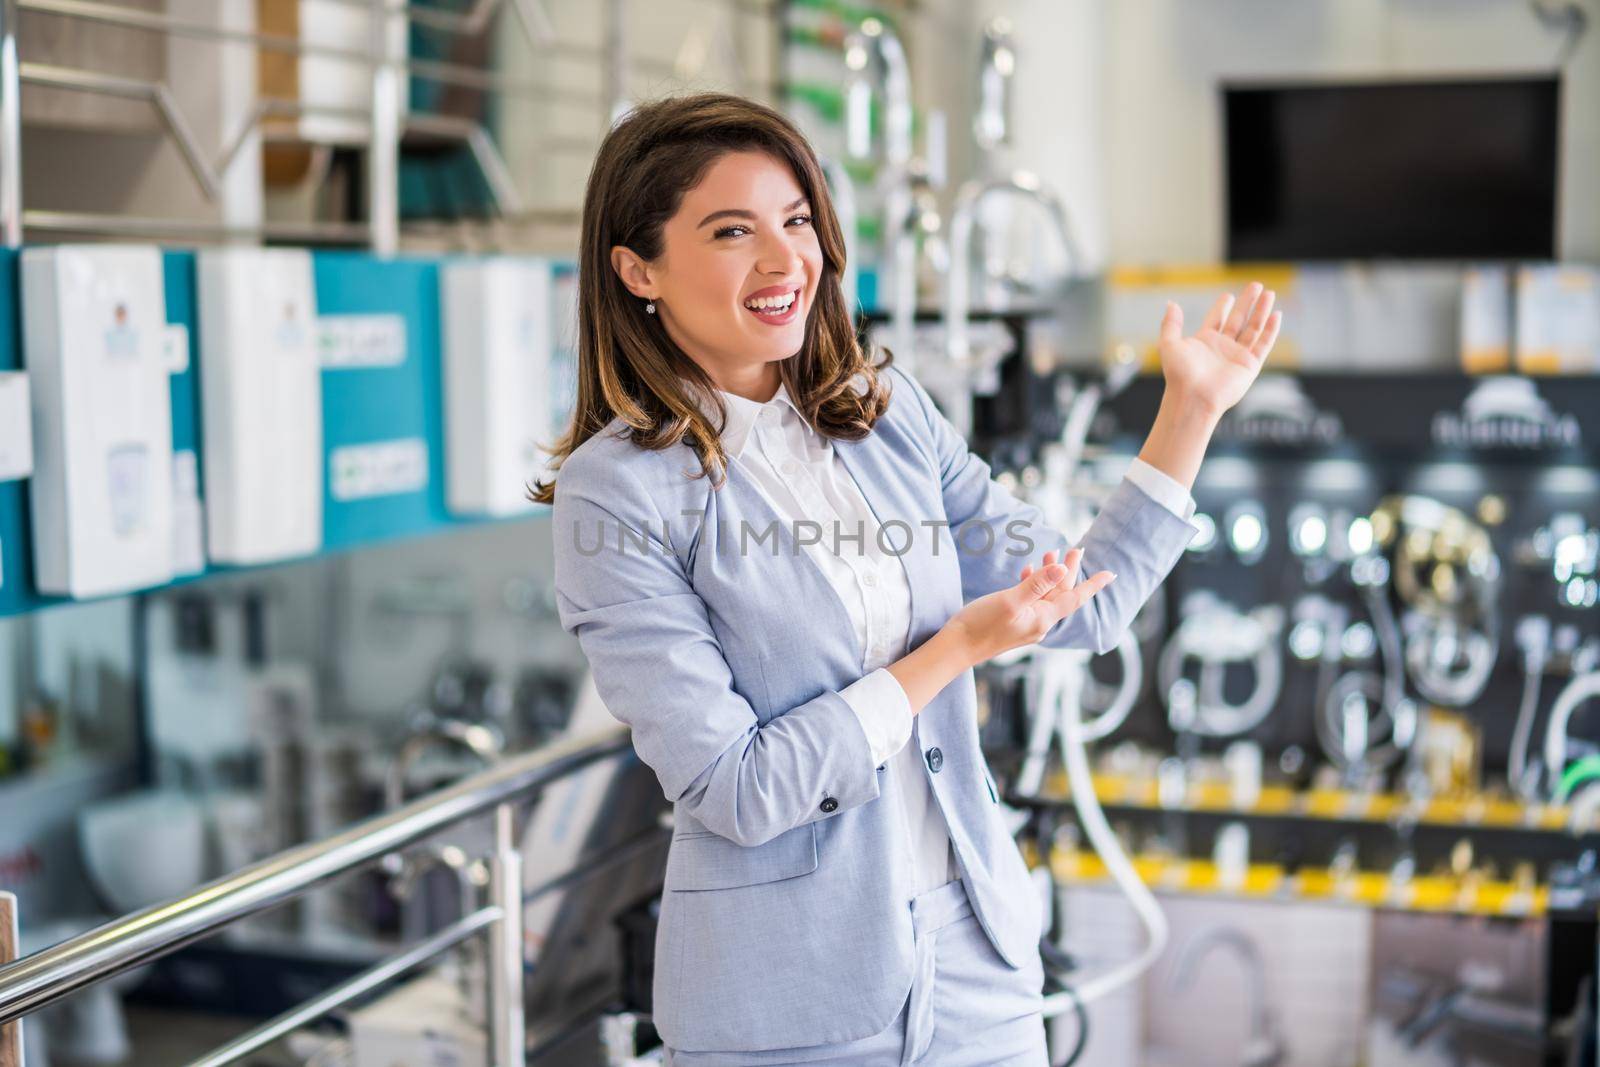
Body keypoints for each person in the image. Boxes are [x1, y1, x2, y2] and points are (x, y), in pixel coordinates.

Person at [535, 92, 1281, 1066]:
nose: (781, 260)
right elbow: (738, 786)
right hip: (787, 1001)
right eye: (732, 230)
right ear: (637, 268)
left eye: (796, 221)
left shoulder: (885, 416)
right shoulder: (617, 492)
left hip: (976, 970)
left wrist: (1190, 410)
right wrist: (957, 647)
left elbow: (1081, 604)